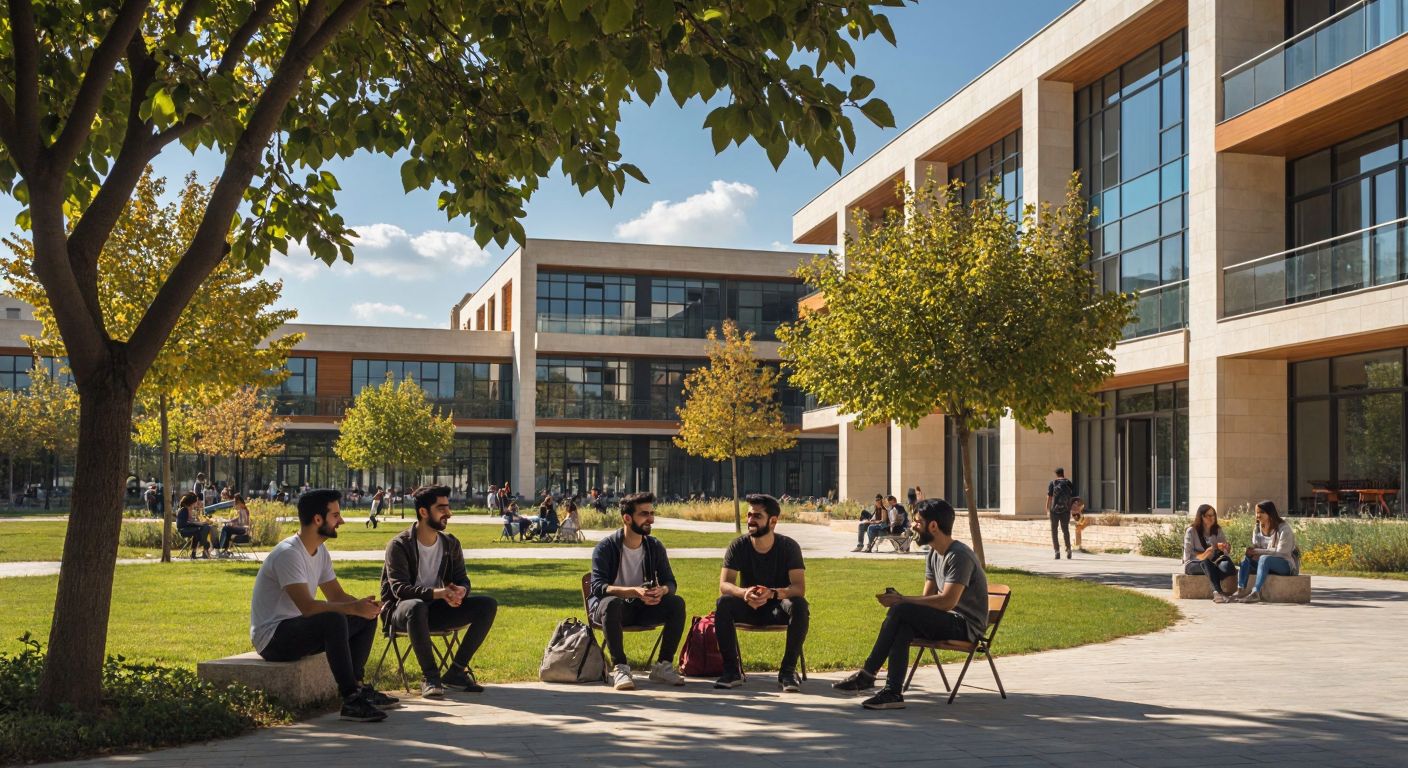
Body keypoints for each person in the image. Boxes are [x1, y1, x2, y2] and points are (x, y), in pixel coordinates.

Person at [249, 489, 398, 722]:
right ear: (318, 519)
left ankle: (358, 687)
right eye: (336, 515)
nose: (342, 521)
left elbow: (336, 595)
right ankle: (350, 700)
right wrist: (352, 608)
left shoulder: (319, 551)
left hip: (299, 629)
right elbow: (308, 607)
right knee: (334, 618)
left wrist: (366, 607)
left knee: (363, 614)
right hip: (273, 638)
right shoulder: (289, 554)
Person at [834, 498, 989, 709]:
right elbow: (927, 599)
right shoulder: (934, 553)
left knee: (901, 610)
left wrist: (902, 600)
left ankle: (868, 674)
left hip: (966, 627)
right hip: (947, 620)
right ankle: (892, 692)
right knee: (903, 622)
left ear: (933, 526)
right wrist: (902, 600)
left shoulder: (959, 556)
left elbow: (946, 602)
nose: (912, 526)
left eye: (917, 521)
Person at [380, 485, 499, 698]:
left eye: (448, 507)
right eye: (441, 508)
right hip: (402, 613)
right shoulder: (399, 545)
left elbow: (462, 578)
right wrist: (439, 593)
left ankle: (456, 672)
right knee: (416, 607)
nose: (448, 513)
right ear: (424, 512)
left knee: (487, 604)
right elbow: (400, 590)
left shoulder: (450, 543)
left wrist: (460, 590)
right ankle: (431, 677)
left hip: (435, 611)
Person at [587, 492, 687, 690]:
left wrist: (662, 590)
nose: (651, 519)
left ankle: (663, 666)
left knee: (676, 603)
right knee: (612, 603)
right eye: (644, 514)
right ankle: (620, 668)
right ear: (627, 518)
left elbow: (671, 582)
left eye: (651, 513)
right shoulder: (606, 547)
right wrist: (634, 591)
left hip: (642, 608)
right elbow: (598, 587)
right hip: (610, 611)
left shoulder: (654, 546)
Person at [713, 494, 808, 692]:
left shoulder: (789, 547)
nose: (750, 520)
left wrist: (772, 593)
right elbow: (725, 584)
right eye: (748, 515)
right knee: (723, 603)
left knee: (799, 604)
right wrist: (744, 593)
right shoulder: (738, 546)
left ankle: (788, 671)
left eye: (756, 516)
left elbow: (799, 587)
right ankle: (731, 671)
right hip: (748, 606)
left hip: (777, 607)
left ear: (773, 521)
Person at [1234, 500, 1301, 604]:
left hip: (1284, 564)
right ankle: (1240, 590)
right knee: (1246, 560)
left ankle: (1255, 593)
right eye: (1256, 512)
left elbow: (1281, 553)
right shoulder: (1257, 528)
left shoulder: (1284, 529)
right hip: (1264, 564)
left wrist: (1257, 551)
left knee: (1264, 558)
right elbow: (1256, 548)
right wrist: (1251, 552)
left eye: (1261, 512)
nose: (1258, 515)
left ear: (1270, 513)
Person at [1182, 504, 1235, 602]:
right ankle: (1218, 592)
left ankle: (1219, 593)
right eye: (1209, 515)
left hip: (1213, 562)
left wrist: (1225, 548)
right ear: (1201, 517)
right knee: (1206, 562)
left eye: (1213, 515)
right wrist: (1206, 553)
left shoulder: (1217, 530)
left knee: (1227, 566)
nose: (1212, 518)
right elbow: (1188, 556)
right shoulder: (1191, 531)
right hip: (1192, 563)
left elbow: (1224, 553)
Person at [1046, 468, 1076, 560]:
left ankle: (1057, 551)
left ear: (1056, 474)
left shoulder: (1053, 483)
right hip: (1065, 510)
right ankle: (1068, 549)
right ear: (1063, 473)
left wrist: (1047, 509)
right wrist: (1072, 509)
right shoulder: (1068, 483)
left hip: (1054, 511)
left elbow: (1049, 497)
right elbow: (1072, 497)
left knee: (1054, 531)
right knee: (1065, 530)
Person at [175, 492, 214, 559]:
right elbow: (186, 523)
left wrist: (200, 522)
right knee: (199, 531)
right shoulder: (184, 510)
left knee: (205, 527)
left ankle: (199, 550)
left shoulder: (188, 509)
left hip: (187, 528)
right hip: (183, 530)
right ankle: (204, 546)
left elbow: (192, 521)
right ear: (191, 502)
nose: (195, 504)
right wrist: (198, 523)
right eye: (195, 502)